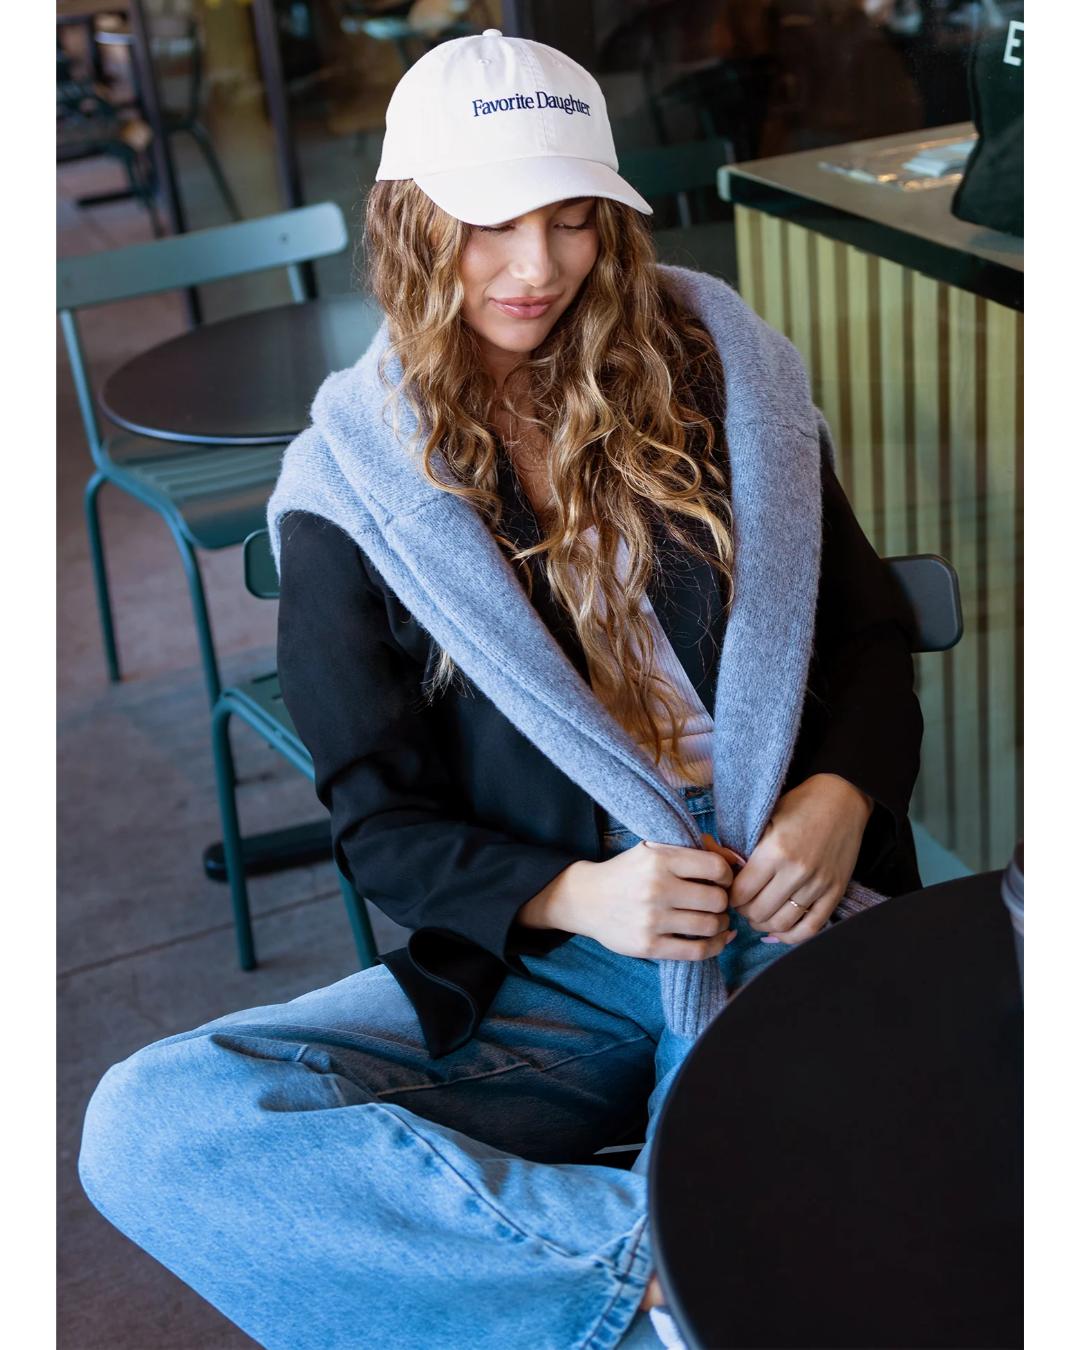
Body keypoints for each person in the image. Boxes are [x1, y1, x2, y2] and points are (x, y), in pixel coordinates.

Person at [78, 29, 922, 1350]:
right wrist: (580, 894)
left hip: (794, 913)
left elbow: (868, 634)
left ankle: (649, 1260)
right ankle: (676, 1262)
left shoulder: (727, 375)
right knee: (148, 1127)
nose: (538, 267)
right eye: (491, 223)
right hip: (560, 969)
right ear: (413, 221)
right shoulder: (350, 488)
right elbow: (383, 825)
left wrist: (840, 797)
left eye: (574, 219)